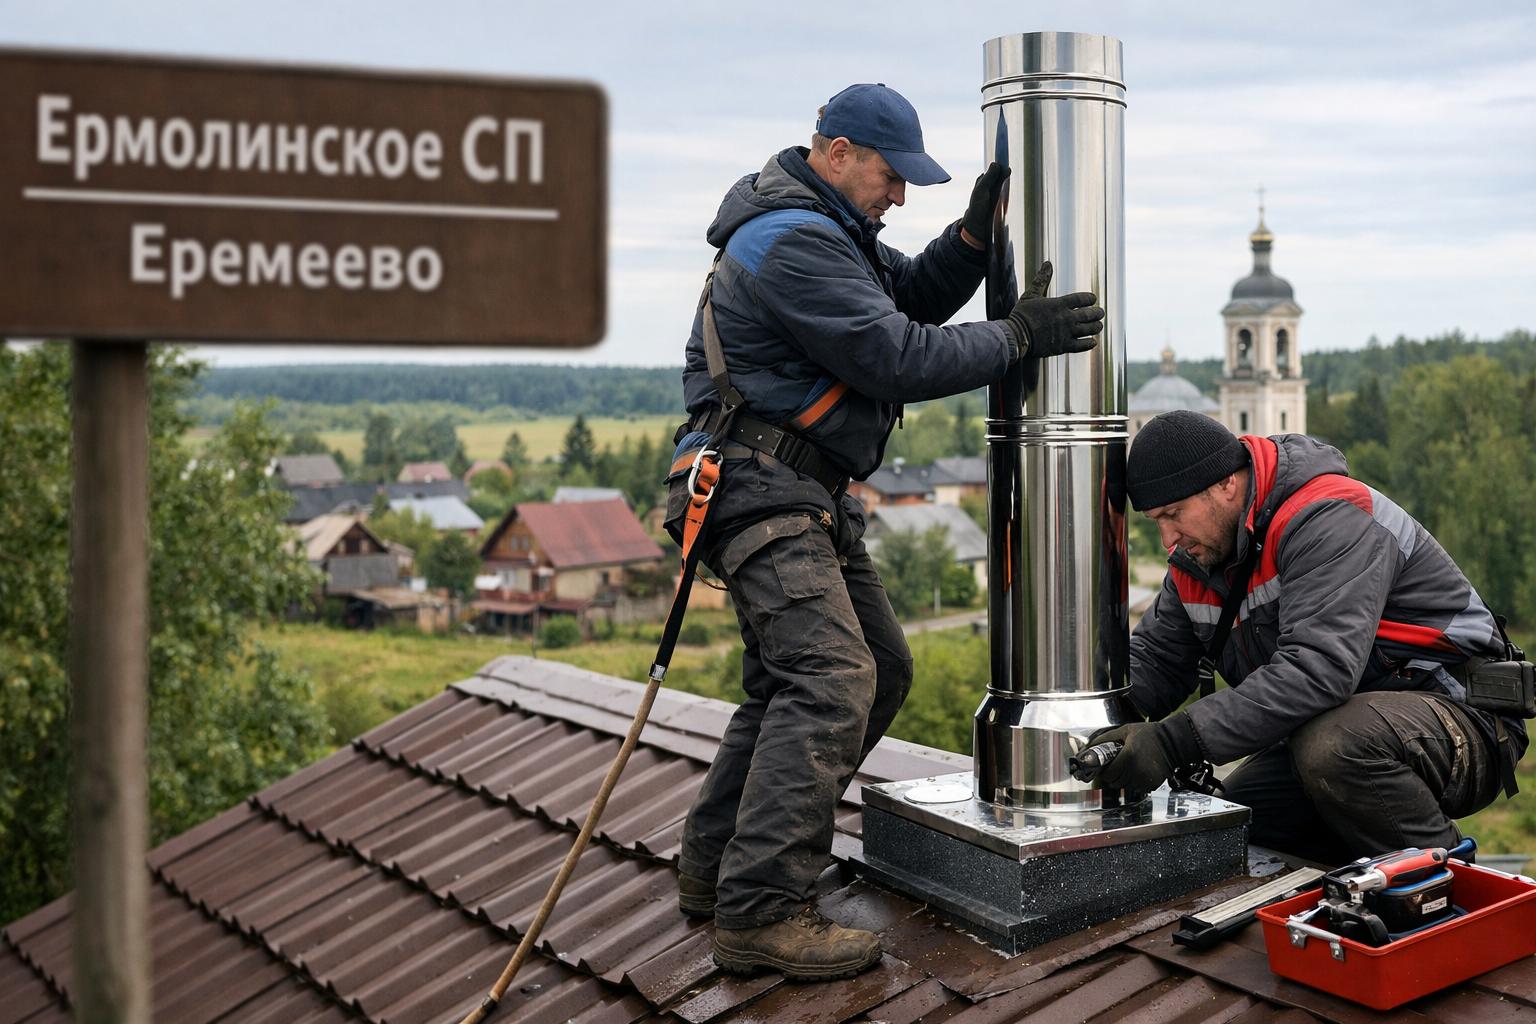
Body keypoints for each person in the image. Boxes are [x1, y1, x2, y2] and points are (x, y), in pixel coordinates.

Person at [663, 83, 1104, 980]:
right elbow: (897, 352)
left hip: (802, 491)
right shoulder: (790, 243)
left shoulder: (824, 232)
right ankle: (761, 910)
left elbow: (908, 294)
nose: (900, 195)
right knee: (831, 681)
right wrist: (1018, 334)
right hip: (761, 490)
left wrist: (973, 242)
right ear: (835, 153)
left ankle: (718, 871)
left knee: (867, 671)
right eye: (891, 175)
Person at [1092, 410, 1527, 865]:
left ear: (1226, 484)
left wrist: (1170, 741)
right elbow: (1155, 664)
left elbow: (1317, 670)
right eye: (1154, 521)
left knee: (1335, 747)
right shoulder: (1196, 562)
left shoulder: (1330, 518)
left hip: (1463, 722)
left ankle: (1446, 898)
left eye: (1174, 514)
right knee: (1234, 818)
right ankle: (1342, 904)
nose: (1167, 539)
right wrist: (1091, 727)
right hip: (1338, 729)